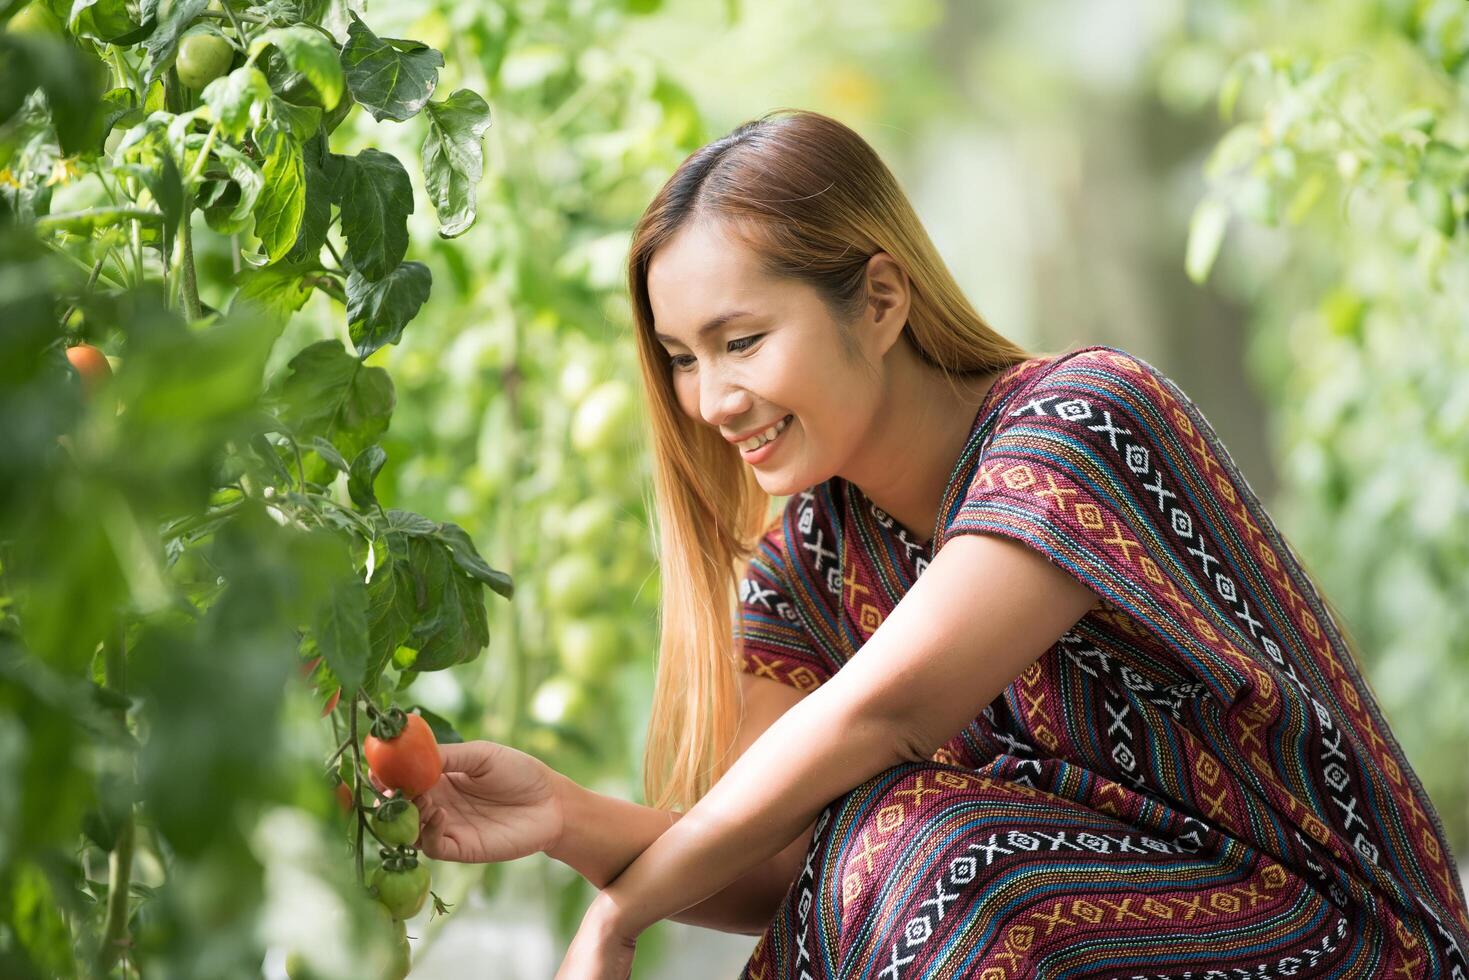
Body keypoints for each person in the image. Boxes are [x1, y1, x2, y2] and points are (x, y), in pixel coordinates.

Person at [409, 109, 1469, 978]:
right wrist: (562, 815)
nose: (712, 399)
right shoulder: (805, 563)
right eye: (683, 358)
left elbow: (889, 710)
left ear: (877, 301)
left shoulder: (1083, 420)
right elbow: (777, 867)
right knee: (873, 850)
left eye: (742, 341)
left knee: (931, 845)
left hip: (1339, 940)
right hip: (1066, 938)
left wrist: (614, 918)